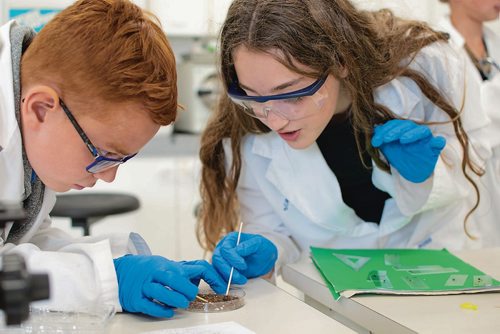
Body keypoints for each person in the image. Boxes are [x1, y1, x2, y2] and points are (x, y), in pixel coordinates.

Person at [197, 0, 499, 286]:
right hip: (335, 296)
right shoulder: (249, 128)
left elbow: (477, 153)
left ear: (341, 61)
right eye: (252, 97)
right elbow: (274, 227)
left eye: (293, 95)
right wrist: (266, 248)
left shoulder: (428, 65)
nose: (274, 121)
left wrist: (426, 175)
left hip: (435, 263)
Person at [0, 0, 225, 318]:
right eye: (102, 153)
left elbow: (25, 241)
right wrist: (105, 282)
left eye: (121, 159)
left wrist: (123, 262)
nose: (108, 176)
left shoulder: (29, 130)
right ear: (40, 108)